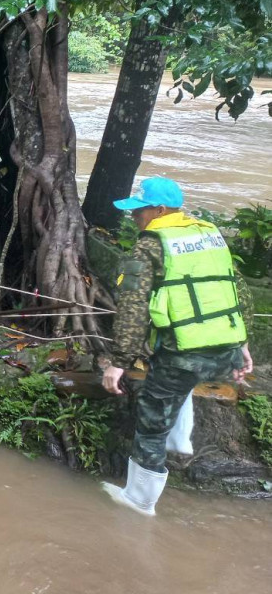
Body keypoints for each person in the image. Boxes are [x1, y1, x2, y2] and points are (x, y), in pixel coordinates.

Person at [99, 177, 254, 516]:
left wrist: (119, 362)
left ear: (160, 210)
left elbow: (132, 308)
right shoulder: (209, 234)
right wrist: (242, 344)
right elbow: (236, 290)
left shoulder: (151, 245)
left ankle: (140, 501)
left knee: (152, 421)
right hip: (225, 352)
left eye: (139, 211)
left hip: (184, 354)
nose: (134, 217)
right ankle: (180, 440)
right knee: (176, 381)